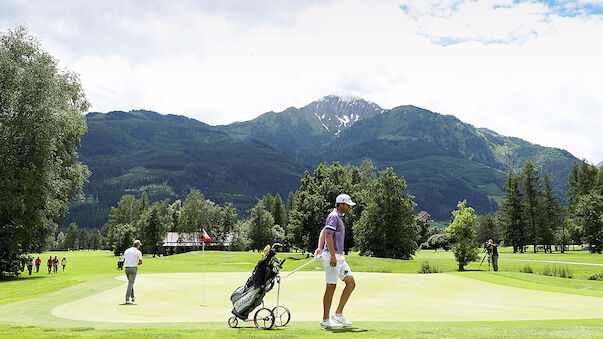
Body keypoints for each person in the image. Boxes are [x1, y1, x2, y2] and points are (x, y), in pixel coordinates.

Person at [314, 194, 356, 329]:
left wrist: (319, 247)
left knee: (350, 283)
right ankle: (325, 320)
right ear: (341, 204)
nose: (349, 207)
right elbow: (328, 235)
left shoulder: (338, 217)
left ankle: (338, 314)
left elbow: (324, 231)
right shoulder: (333, 216)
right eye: (348, 204)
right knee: (331, 287)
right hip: (332, 257)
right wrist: (331, 255)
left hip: (339, 257)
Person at [123, 240, 143, 304]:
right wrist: (135, 263)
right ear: (138, 245)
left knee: (130, 283)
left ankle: (133, 296)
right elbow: (140, 262)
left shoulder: (127, 250)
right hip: (133, 268)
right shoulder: (138, 252)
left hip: (126, 268)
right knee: (130, 283)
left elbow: (124, 260)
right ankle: (127, 299)